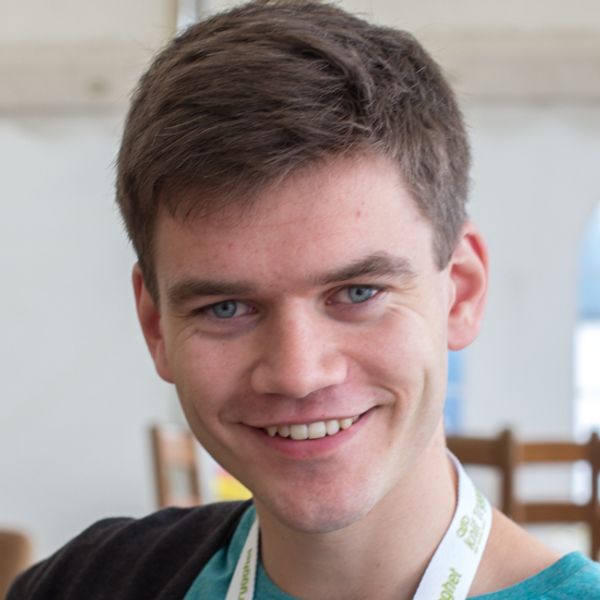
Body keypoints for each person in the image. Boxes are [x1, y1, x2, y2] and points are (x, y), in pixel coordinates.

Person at [9, 1, 600, 598]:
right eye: (226, 308)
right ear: (156, 325)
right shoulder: (82, 584)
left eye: (358, 293)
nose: (297, 373)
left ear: (460, 293)